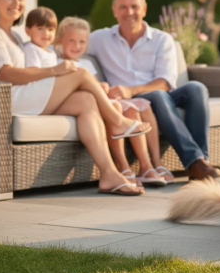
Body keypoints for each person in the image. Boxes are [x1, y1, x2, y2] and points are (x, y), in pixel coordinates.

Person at [0, 0, 151, 196]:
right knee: (80, 72)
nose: (16, 3)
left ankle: (109, 174)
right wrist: (55, 71)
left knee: (86, 101)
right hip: (3, 100)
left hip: (23, 96)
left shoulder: (15, 37)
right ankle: (118, 120)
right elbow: (5, 73)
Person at [88, 0, 220, 180]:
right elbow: (69, 48)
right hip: (133, 102)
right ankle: (196, 163)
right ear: (114, 11)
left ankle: (201, 160)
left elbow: (165, 83)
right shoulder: (99, 39)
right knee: (158, 96)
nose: (129, 12)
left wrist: (131, 90)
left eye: (134, 6)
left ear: (144, 9)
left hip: (159, 95)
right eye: (123, 7)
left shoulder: (162, 39)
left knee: (196, 88)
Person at [55, 16, 173, 186]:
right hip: (87, 103)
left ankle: (146, 166)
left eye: (82, 41)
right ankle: (123, 167)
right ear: (60, 40)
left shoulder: (87, 62)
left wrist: (103, 87)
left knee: (136, 108)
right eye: (71, 41)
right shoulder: (58, 62)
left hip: (102, 99)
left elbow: (95, 85)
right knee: (117, 107)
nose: (77, 46)